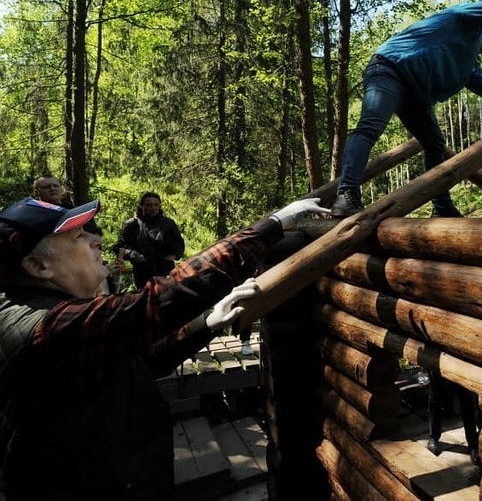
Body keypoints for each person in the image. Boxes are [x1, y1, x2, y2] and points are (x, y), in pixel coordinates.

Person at [0, 195, 330, 500]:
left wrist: (208, 322)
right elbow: (160, 300)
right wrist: (271, 227)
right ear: (38, 266)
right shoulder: (45, 329)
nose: (95, 239)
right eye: (77, 238)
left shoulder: (43, 310)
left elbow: (139, 359)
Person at [331, 1, 482, 218]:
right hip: (390, 68)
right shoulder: (464, 19)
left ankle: (441, 206)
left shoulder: (467, 67)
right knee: (370, 126)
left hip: (416, 95)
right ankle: (346, 194)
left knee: (435, 144)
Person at [114, 192, 186, 288]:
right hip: (143, 273)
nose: (153, 208)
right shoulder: (132, 224)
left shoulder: (168, 223)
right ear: (142, 206)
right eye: (149, 205)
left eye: (156, 205)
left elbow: (180, 244)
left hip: (165, 271)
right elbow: (119, 247)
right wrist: (135, 256)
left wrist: (174, 255)